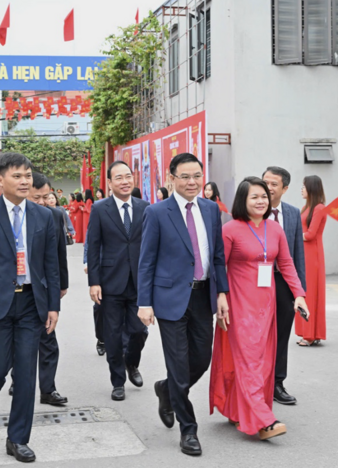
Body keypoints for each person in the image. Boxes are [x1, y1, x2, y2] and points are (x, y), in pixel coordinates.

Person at [0, 153, 60, 463]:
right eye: (17, 176)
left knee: (26, 374)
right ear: (0, 181)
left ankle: (17, 438)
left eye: (27, 175)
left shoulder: (43, 216)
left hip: (31, 302)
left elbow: (51, 265)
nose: (24, 181)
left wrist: (53, 305)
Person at [138, 153, 229, 457]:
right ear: (172, 178)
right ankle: (188, 429)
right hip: (169, 298)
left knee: (201, 359)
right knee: (178, 365)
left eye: (197, 176)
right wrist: (144, 302)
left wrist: (222, 292)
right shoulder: (157, 212)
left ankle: (166, 390)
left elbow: (217, 256)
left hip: (203, 296)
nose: (192, 182)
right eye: (185, 176)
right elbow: (146, 261)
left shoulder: (211, 209)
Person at [210, 177, 308, 440]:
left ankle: (238, 409)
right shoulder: (230, 229)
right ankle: (264, 420)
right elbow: (219, 267)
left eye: (264, 196)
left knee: (263, 362)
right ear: (243, 200)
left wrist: (299, 295)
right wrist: (220, 298)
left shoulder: (274, 229)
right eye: (254, 196)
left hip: (266, 306)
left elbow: (286, 264)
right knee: (250, 361)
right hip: (238, 305)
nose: (261, 201)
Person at [87, 161, 150, 401]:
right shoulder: (100, 209)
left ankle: (131, 363)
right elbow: (93, 246)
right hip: (110, 282)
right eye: (119, 178)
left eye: (128, 176)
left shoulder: (145, 207)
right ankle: (118, 382)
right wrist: (94, 281)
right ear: (110, 183)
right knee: (112, 335)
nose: (125, 181)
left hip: (139, 282)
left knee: (139, 330)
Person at [20, 173, 69, 407]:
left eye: (45, 196)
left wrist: (62, 285)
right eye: (36, 197)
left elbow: (60, 253)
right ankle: (18, 380)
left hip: (45, 287)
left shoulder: (54, 215)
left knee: (48, 338)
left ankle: (48, 389)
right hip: (19, 288)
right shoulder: (14, 216)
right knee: (19, 341)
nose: (42, 202)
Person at [261, 166, 306, 404]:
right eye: (265, 182)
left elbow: (298, 254)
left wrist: (300, 293)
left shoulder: (292, 213)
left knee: (281, 334)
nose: (268, 188)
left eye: (273, 184)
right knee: (257, 333)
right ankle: (256, 381)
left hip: (283, 281)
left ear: (285, 189)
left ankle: (277, 383)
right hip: (256, 282)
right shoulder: (253, 210)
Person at [295, 175, 327, 346]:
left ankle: (310, 334)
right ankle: (308, 332)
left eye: (304, 186)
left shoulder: (319, 208)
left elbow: (311, 234)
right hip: (303, 253)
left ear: (312, 188)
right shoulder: (306, 207)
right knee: (303, 291)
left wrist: (292, 237)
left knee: (311, 293)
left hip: (312, 254)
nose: (302, 189)